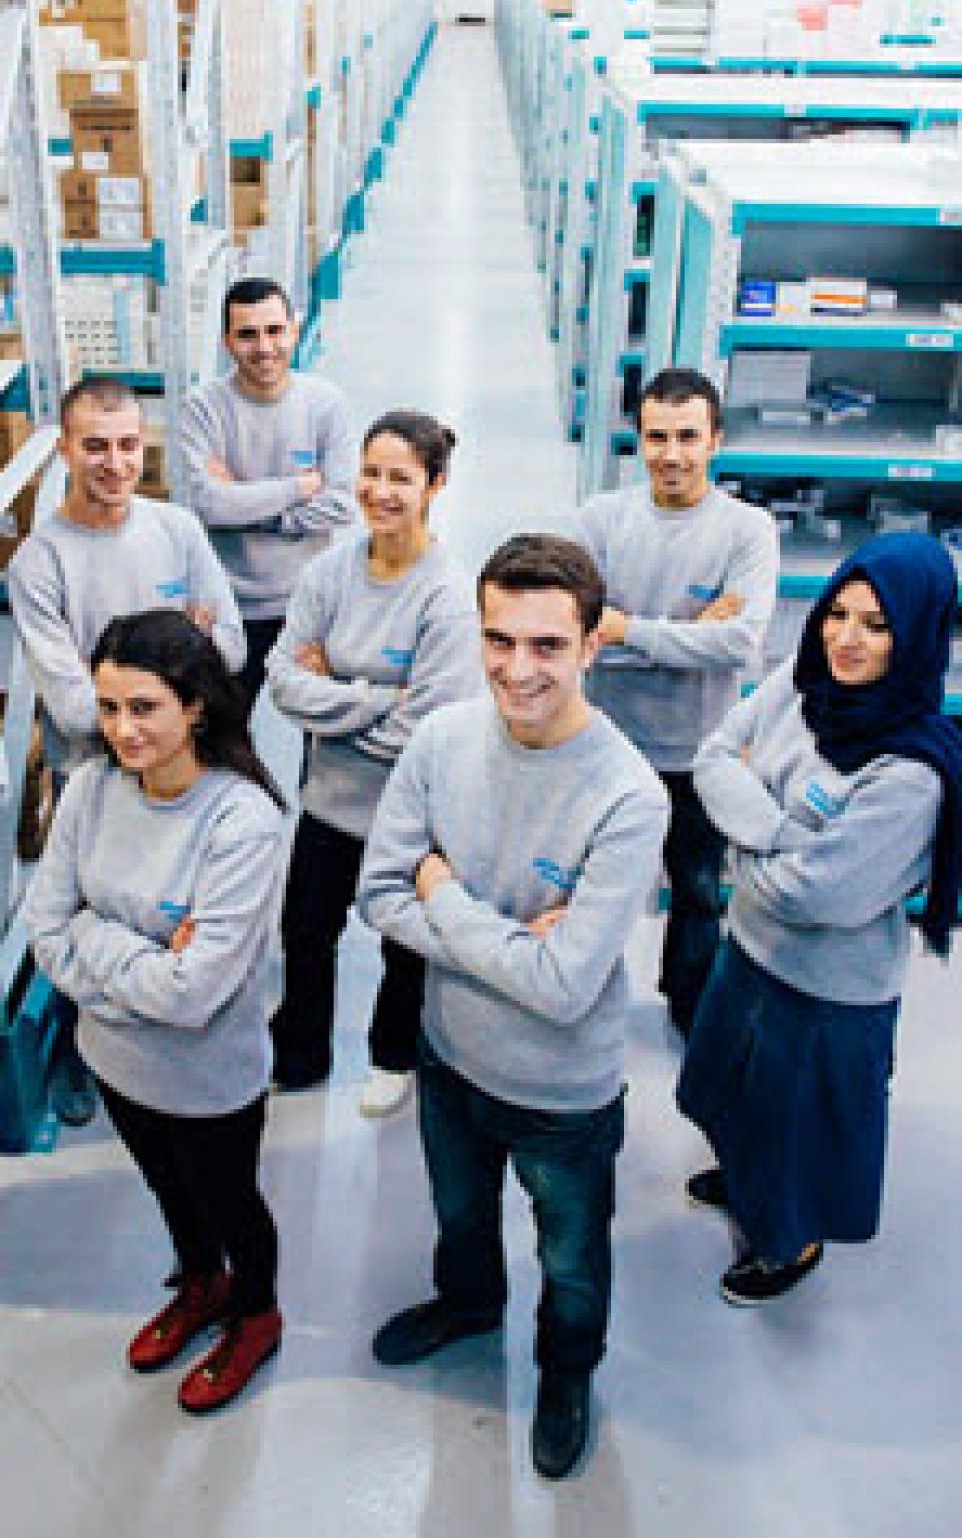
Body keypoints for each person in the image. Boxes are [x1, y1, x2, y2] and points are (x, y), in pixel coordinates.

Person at [357, 534, 669, 1479]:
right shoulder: (443, 739)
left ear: (590, 648)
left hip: (562, 1093)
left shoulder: (628, 795)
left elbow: (567, 985)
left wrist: (444, 897)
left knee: (571, 1261)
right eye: (500, 640)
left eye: (545, 645)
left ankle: (566, 1372)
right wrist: (517, 940)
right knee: (460, 1218)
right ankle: (469, 1305)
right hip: (449, 1057)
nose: (517, 669)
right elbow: (376, 896)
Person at [677, 533, 962, 1306]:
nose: (846, 637)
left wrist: (746, 840)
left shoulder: (911, 773)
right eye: (839, 612)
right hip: (753, 954)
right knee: (736, 1092)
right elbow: (712, 757)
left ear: (919, 633)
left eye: (876, 624)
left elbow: (822, 899)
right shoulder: (802, 686)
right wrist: (778, 836)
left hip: (829, 994)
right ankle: (746, 1180)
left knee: (798, 1132)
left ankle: (786, 1244)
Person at [25, 610, 287, 1413]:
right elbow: (44, 931)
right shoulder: (94, 790)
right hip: (115, 1059)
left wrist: (94, 942)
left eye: (144, 708)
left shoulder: (243, 820)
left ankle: (254, 1311)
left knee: (229, 1201)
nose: (122, 729)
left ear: (195, 706)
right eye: (108, 708)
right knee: (170, 1195)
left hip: (207, 1076)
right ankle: (200, 1284)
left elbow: (195, 993)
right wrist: (144, 953)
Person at [8, 376, 245, 1127]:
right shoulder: (40, 565)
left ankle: (179, 1042)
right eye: (96, 447)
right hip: (101, 783)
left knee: (186, 922)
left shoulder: (176, 530)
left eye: (127, 445)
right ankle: (91, 1052)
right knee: (101, 918)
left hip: (194, 778)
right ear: (66, 451)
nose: (114, 463)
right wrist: (185, 652)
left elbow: (233, 649)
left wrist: (138, 687)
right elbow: (74, 709)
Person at [267, 411, 483, 1112]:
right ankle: (300, 1051)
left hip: (409, 815)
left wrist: (330, 699)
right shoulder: (330, 571)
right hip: (329, 804)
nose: (381, 491)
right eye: (371, 473)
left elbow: (423, 732)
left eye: (401, 478)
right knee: (305, 933)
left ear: (434, 486)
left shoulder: (447, 596)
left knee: (404, 946)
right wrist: (373, 698)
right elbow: (281, 680)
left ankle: (394, 1056)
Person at [572, 367, 778, 1036]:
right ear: (638, 438)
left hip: (700, 754)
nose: (672, 454)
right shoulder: (601, 519)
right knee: (593, 891)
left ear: (716, 440)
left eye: (688, 436)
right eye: (657, 436)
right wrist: (691, 631)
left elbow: (740, 644)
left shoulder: (748, 531)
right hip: (606, 748)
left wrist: (629, 626)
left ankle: (690, 1009)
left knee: (696, 891)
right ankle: (582, 1002)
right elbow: (577, 632)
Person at [181, 276, 357, 712]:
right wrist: (297, 489)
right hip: (230, 607)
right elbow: (207, 504)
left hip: (312, 604)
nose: (264, 348)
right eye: (247, 334)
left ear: (293, 330)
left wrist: (246, 503)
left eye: (274, 331)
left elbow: (342, 505)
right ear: (227, 341)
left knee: (320, 736)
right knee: (223, 735)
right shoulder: (203, 407)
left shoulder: (326, 405)